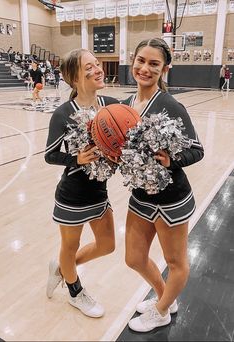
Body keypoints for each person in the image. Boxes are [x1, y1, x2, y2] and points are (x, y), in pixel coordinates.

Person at [121, 38, 204, 332]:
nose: (145, 68)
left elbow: (197, 150)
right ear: (133, 61)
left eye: (154, 64)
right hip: (141, 196)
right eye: (141, 60)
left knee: (176, 262)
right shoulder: (126, 104)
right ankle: (164, 296)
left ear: (164, 69)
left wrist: (172, 159)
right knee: (133, 258)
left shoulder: (170, 105)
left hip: (171, 199)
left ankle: (161, 311)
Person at [44, 48, 118, 318]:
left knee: (107, 244)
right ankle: (75, 291)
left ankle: (63, 266)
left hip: (100, 192)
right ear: (75, 78)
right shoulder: (63, 113)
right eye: (89, 68)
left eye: (97, 64)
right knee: (70, 246)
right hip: (72, 196)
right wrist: (76, 158)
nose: (98, 69)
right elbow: (50, 155)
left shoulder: (110, 105)